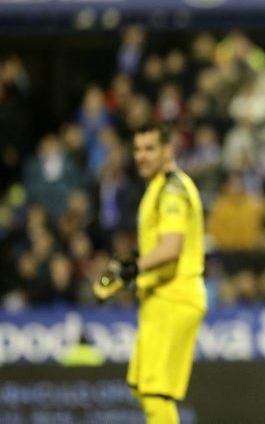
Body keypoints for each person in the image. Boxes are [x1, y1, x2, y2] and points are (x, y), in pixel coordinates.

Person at [93, 123, 206, 424]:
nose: (141, 156)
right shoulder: (157, 187)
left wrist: (130, 268)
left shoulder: (172, 189)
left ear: (168, 150)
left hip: (175, 297)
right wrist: (130, 273)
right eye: (137, 149)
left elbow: (170, 249)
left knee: (156, 394)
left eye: (149, 149)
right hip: (159, 299)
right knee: (143, 389)